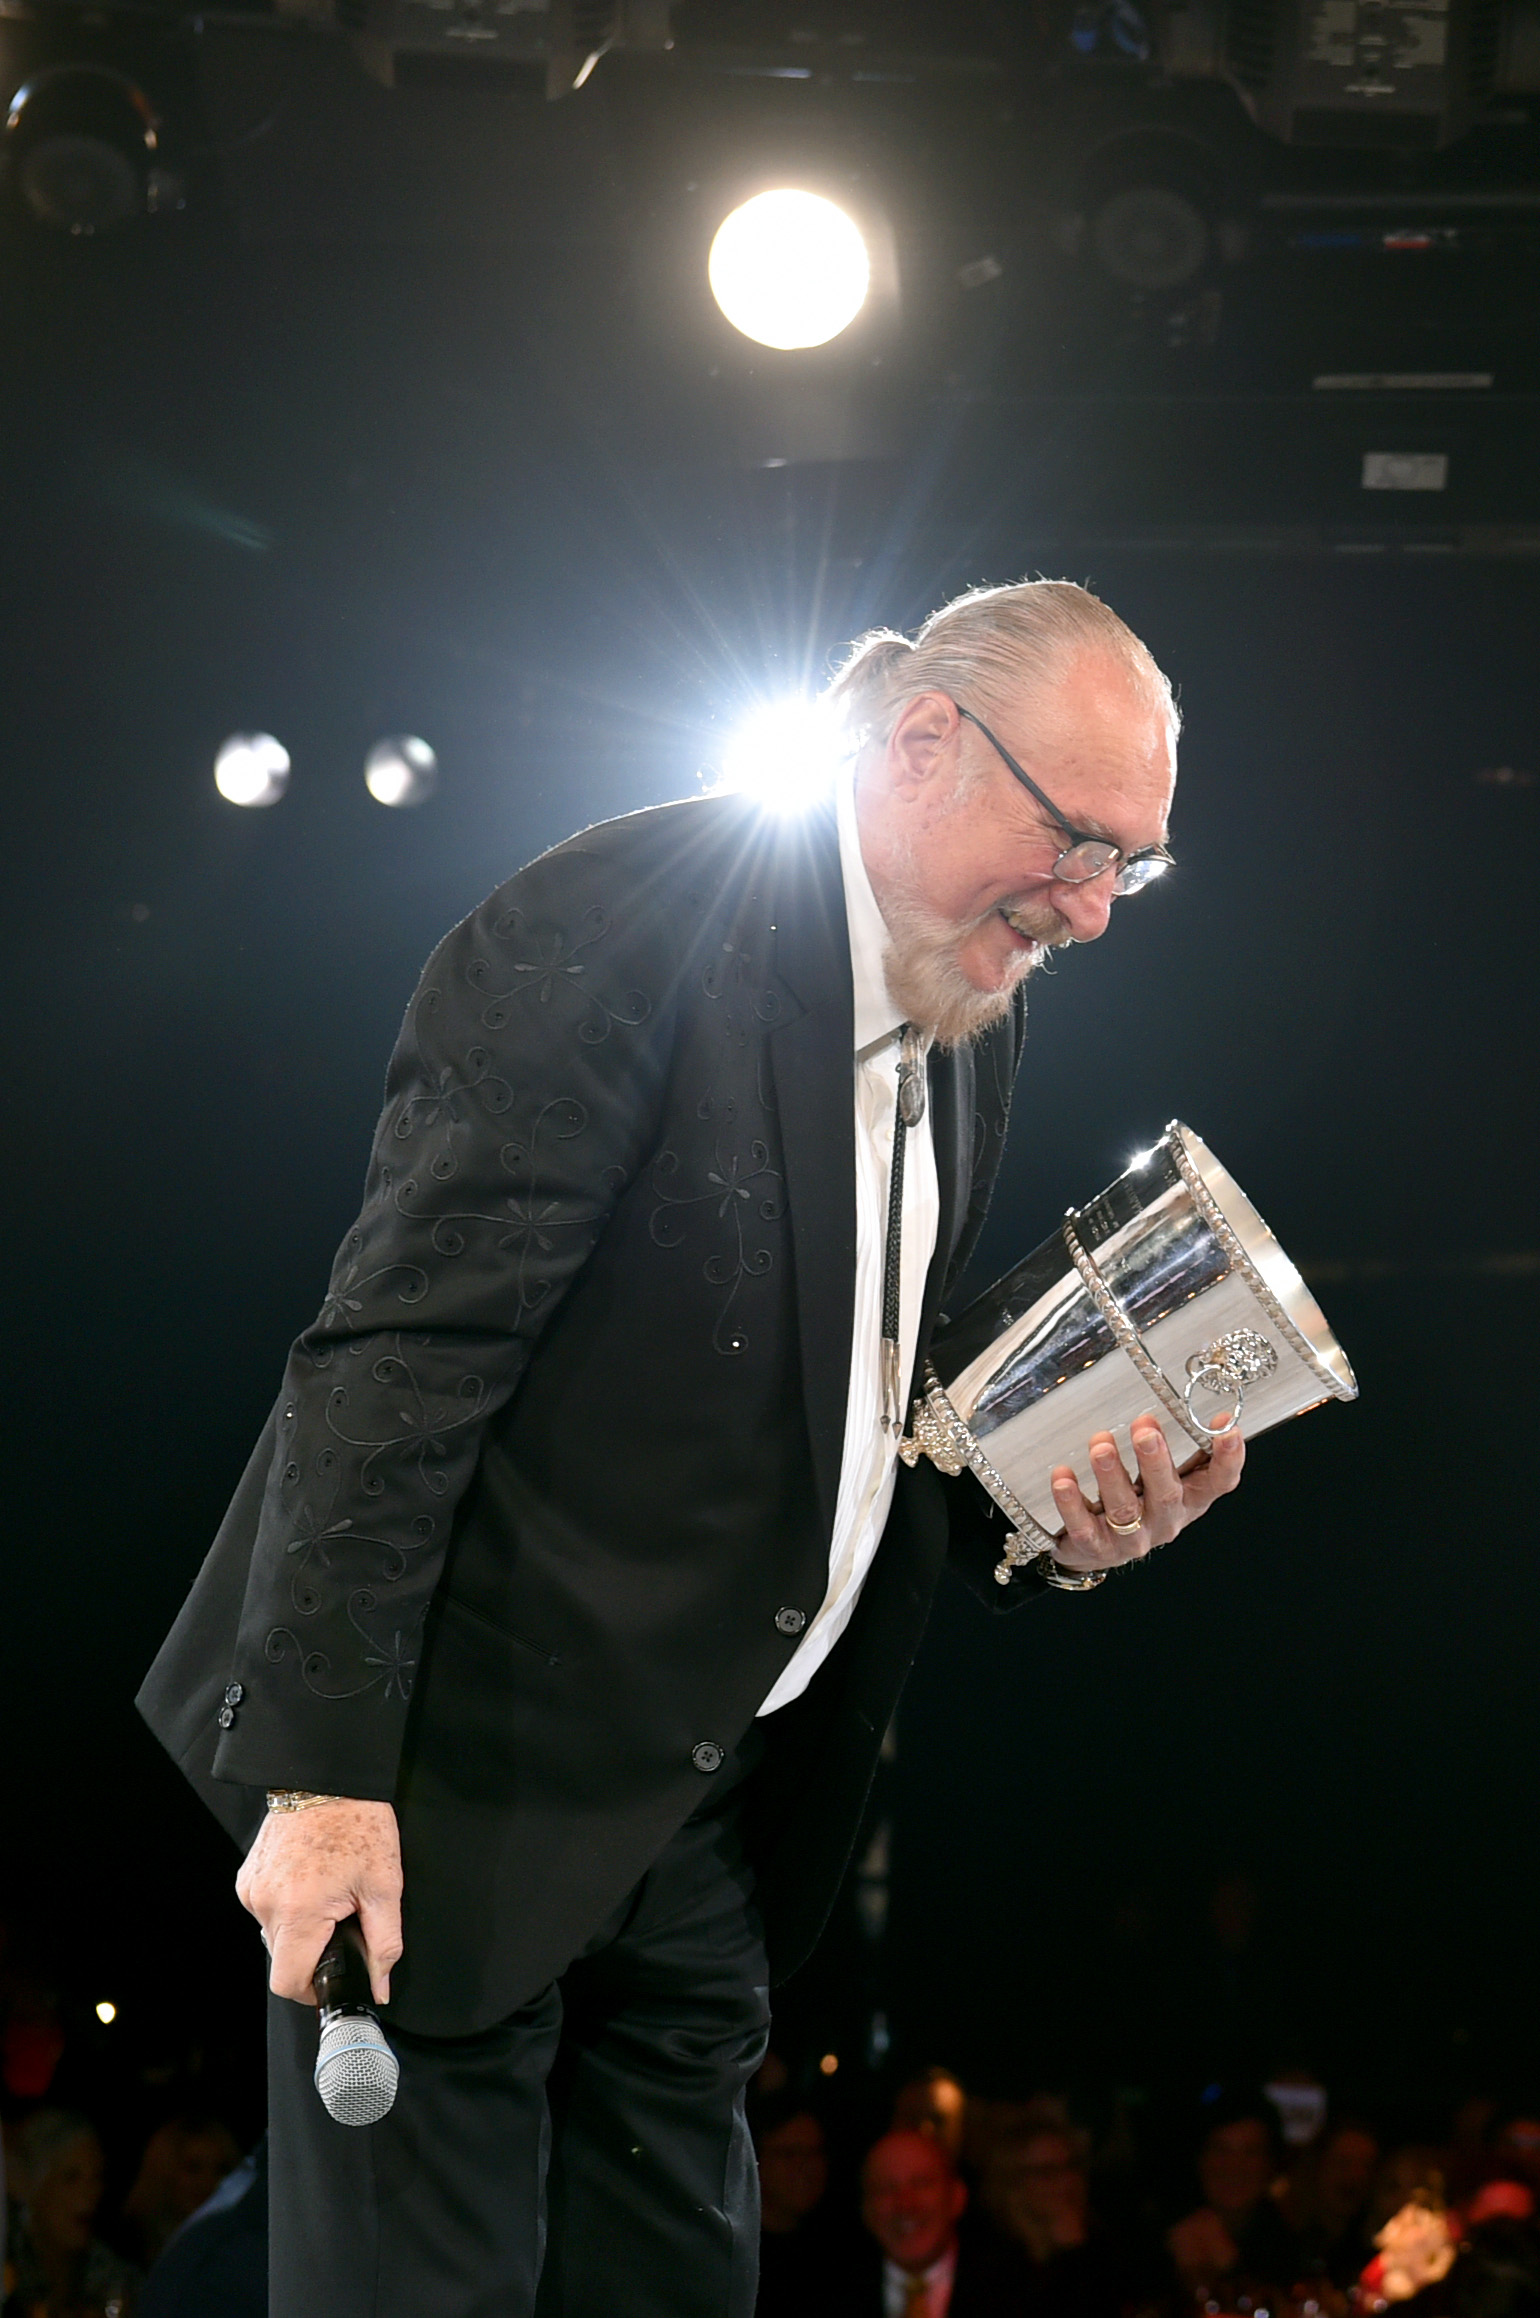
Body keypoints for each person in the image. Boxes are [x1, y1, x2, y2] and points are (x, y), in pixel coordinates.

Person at [138, 578, 1245, 2318]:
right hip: (455, 1796)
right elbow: (397, 1356)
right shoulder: (619, 924)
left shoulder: (975, 1003)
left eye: (1134, 862)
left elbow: (843, 1407)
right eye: (1075, 840)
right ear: (921, 739)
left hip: (707, 1818)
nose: (1095, 909)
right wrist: (323, 1777)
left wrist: (1055, 1509)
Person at [857, 2129, 1019, 2317]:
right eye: (887, 2189)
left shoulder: (1014, 2289)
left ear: (957, 2197)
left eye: (921, 2184)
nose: (905, 2203)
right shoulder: (825, 2293)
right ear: (866, 2208)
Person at [3, 2110, 140, 2318]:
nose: (91, 2194)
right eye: (71, 2178)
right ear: (34, 2186)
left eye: (97, 2177)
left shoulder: (117, 2280)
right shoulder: (9, 2272)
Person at [1165, 2097, 1300, 2305]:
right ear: (1200, 2160)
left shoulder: (1290, 2246)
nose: (1234, 2167)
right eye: (1221, 2150)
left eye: (1250, 2152)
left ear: (1270, 2166)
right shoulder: (1161, 2234)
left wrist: (1229, 2268)